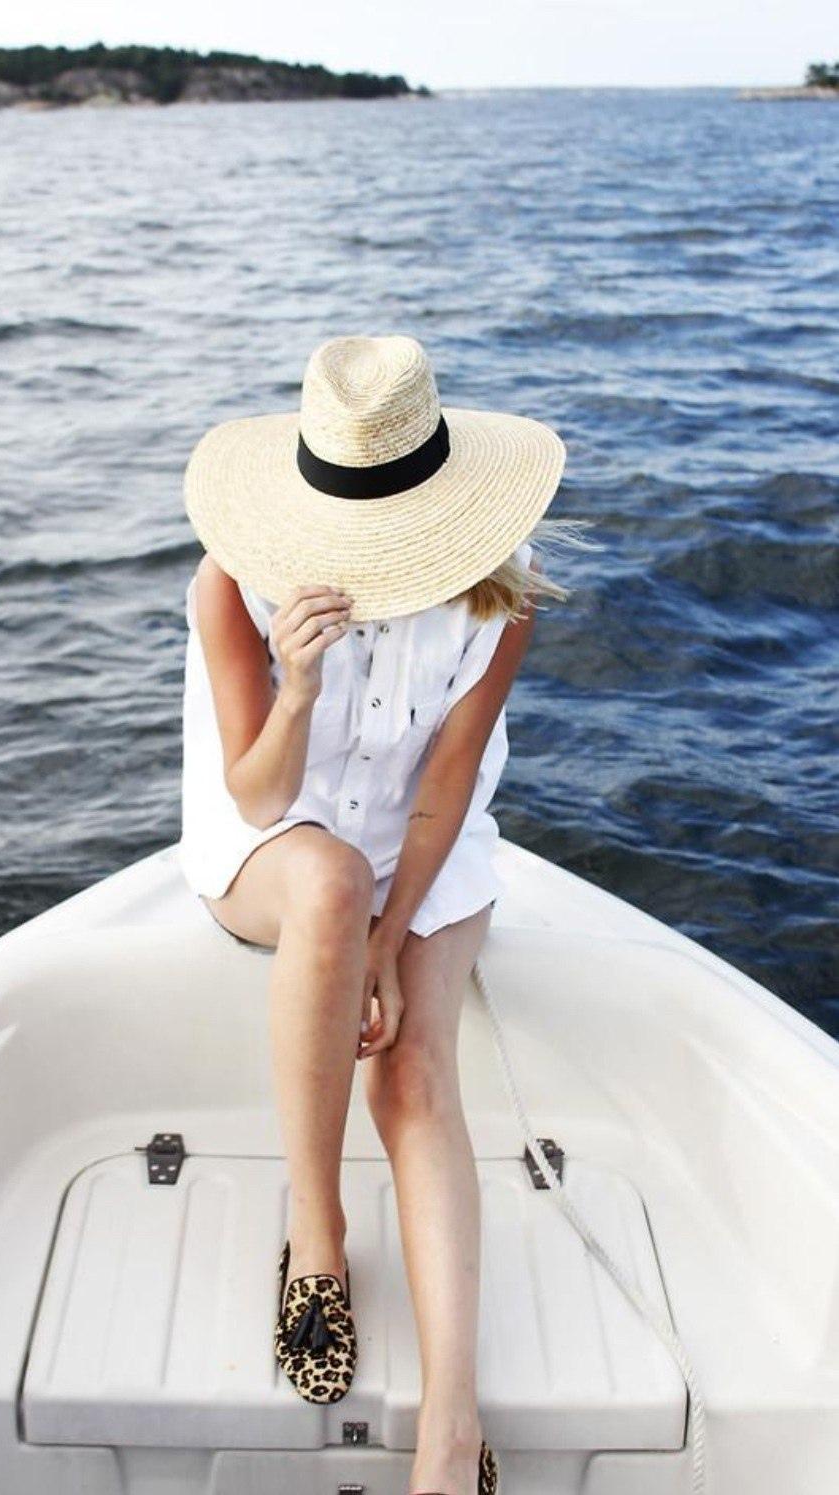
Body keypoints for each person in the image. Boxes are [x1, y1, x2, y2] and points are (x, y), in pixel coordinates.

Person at [178, 334, 583, 1495]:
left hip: (424, 852)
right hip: (272, 845)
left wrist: (391, 945)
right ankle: (317, 1238)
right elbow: (256, 794)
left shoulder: (500, 597)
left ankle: (451, 1435)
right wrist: (298, 685)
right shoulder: (231, 582)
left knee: (413, 1076)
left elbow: (446, 786)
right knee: (326, 882)